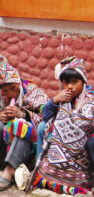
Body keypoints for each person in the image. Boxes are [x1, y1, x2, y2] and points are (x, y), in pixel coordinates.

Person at [0, 51, 48, 191]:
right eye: (6, 91)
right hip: (6, 140)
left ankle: (10, 169)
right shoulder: (2, 96)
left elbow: (47, 116)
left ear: (18, 83)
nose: (11, 94)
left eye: (13, 89)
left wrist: (23, 115)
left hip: (28, 144)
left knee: (20, 126)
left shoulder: (32, 91)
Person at [33, 56, 94, 195]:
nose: (70, 87)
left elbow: (87, 122)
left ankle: (79, 177)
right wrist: (54, 101)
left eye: (75, 82)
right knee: (43, 126)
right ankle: (41, 170)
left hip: (85, 147)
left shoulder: (90, 99)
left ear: (83, 82)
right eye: (66, 82)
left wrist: (72, 125)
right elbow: (46, 116)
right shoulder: (62, 99)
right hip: (59, 147)